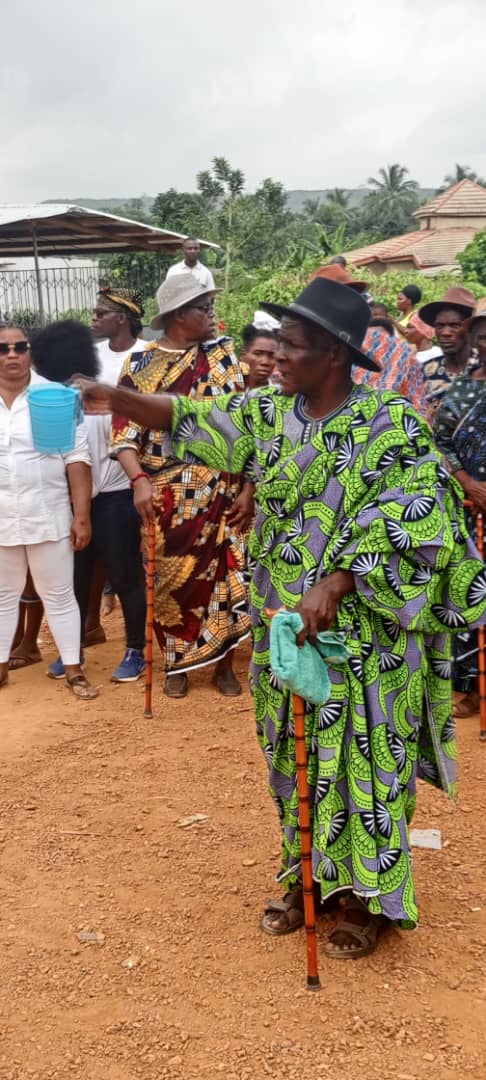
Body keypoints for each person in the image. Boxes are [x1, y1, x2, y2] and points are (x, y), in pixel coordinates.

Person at [77, 276, 486, 957]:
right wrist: (120, 399)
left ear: (333, 354)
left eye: (293, 347)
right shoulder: (268, 413)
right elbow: (190, 421)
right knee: (293, 756)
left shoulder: (391, 423)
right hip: (287, 626)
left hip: (372, 637)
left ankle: (367, 895)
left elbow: (421, 517)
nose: (278, 357)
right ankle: (309, 879)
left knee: (365, 761)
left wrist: (343, 578)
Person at [109, 274, 252, 698]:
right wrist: (137, 480)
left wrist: (249, 489)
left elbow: (246, 428)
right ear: (177, 316)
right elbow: (123, 434)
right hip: (168, 493)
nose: (211, 315)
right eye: (203, 308)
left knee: (228, 578)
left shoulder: (224, 356)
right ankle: (178, 664)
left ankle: (224, 663)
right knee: (171, 583)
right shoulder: (140, 365)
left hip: (225, 492)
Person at [41, 295, 148, 684]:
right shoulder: (88, 358)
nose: (94, 319)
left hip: (119, 484)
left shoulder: (145, 357)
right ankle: (73, 652)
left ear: (123, 318)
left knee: (124, 575)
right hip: (79, 489)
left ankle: (136, 649)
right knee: (76, 576)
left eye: (101, 313)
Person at [0, 324, 97, 699]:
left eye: (19, 347)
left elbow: (76, 459)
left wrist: (82, 515)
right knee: (3, 596)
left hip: (49, 513)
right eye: (3, 348)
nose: (12, 354)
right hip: (2, 517)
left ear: (30, 353)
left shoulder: (54, 397)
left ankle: (74, 671)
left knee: (58, 594)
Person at [434, 297, 486, 718]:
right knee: (470, 590)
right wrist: (467, 481)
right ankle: (473, 688)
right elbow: (440, 443)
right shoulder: (464, 388)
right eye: (481, 331)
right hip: (469, 508)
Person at [354, 318, 430, 419]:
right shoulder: (353, 365)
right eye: (371, 338)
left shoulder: (406, 365)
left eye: (381, 338)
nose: (376, 343)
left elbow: (419, 406)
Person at [418, 287, 476, 417]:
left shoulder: (481, 369)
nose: (445, 333)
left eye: (455, 325)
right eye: (439, 326)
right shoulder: (423, 372)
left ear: (471, 329)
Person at [241, 324, 278, 388]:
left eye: (272, 356)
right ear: (244, 355)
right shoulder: (225, 393)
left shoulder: (284, 395)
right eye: (258, 353)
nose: (265, 362)